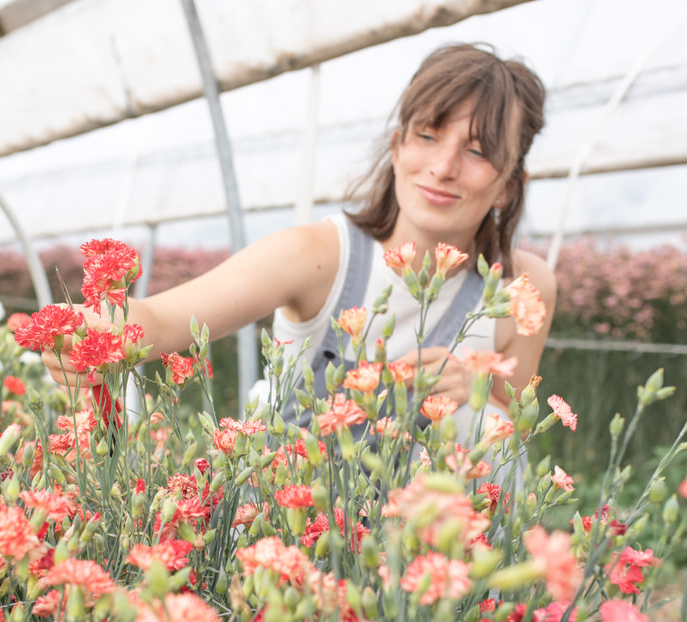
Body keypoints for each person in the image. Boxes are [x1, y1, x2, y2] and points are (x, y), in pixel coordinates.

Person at [44, 43, 555, 440]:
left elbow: (515, 418)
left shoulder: (526, 287)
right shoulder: (321, 255)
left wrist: (480, 391)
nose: (443, 167)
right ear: (397, 148)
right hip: (286, 540)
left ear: (510, 184)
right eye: (428, 136)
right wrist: (88, 333)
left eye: (477, 150)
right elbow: (164, 319)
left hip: (428, 555)